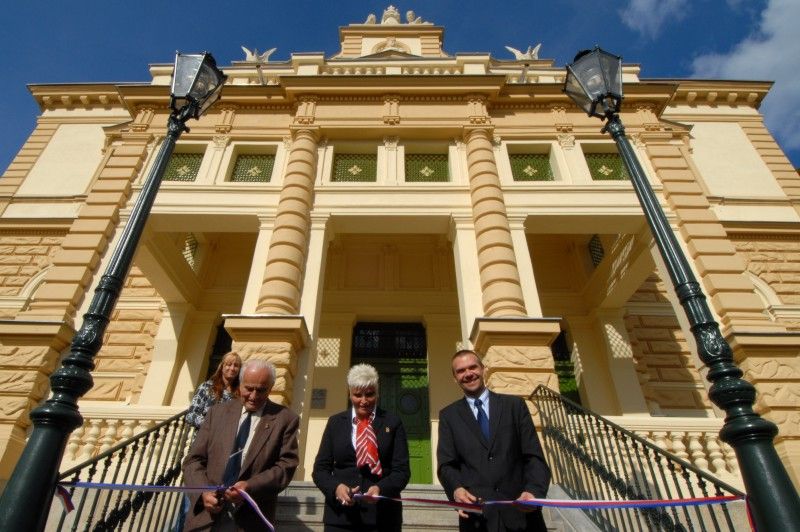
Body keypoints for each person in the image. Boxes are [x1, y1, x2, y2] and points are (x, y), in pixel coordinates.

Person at [437, 350, 551, 532]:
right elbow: (447, 465)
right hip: (477, 517)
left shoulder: (514, 406)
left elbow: (534, 457)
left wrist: (533, 491)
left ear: (484, 369)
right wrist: (456, 490)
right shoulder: (448, 416)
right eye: (460, 371)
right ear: (454, 378)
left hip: (522, 516)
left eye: (473, 367)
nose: (468, 374)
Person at [182, 359, 299, 531]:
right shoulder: (217, 413)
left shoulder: (285, 419)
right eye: (249, 388)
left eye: (261, 390)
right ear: (240, 383)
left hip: (250, 519)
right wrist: (203, 493)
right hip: (206, 518)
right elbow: (194, 460)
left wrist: (250, 487)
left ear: (271, 388)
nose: (253, 396)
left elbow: (285, 466)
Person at [312, 363, 410, 531]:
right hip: (340, 518)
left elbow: (401, 470)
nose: (364, 401)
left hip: (382, 518)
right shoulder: (335, 423)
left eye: (369, 394)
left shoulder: (392, 422)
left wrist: (381, 488)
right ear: (349, 394)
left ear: (377, 394)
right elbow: (320, 469)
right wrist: (336, 488)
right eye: (358, 395)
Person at [185, 351, 242, 430]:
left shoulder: (240, 393)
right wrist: (212, 425)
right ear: (222, 367)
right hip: (205, 437)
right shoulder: (207, 387)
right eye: (229, 365)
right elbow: (191, 415)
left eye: (236, 366)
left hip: (227, 439)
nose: (232, 368)